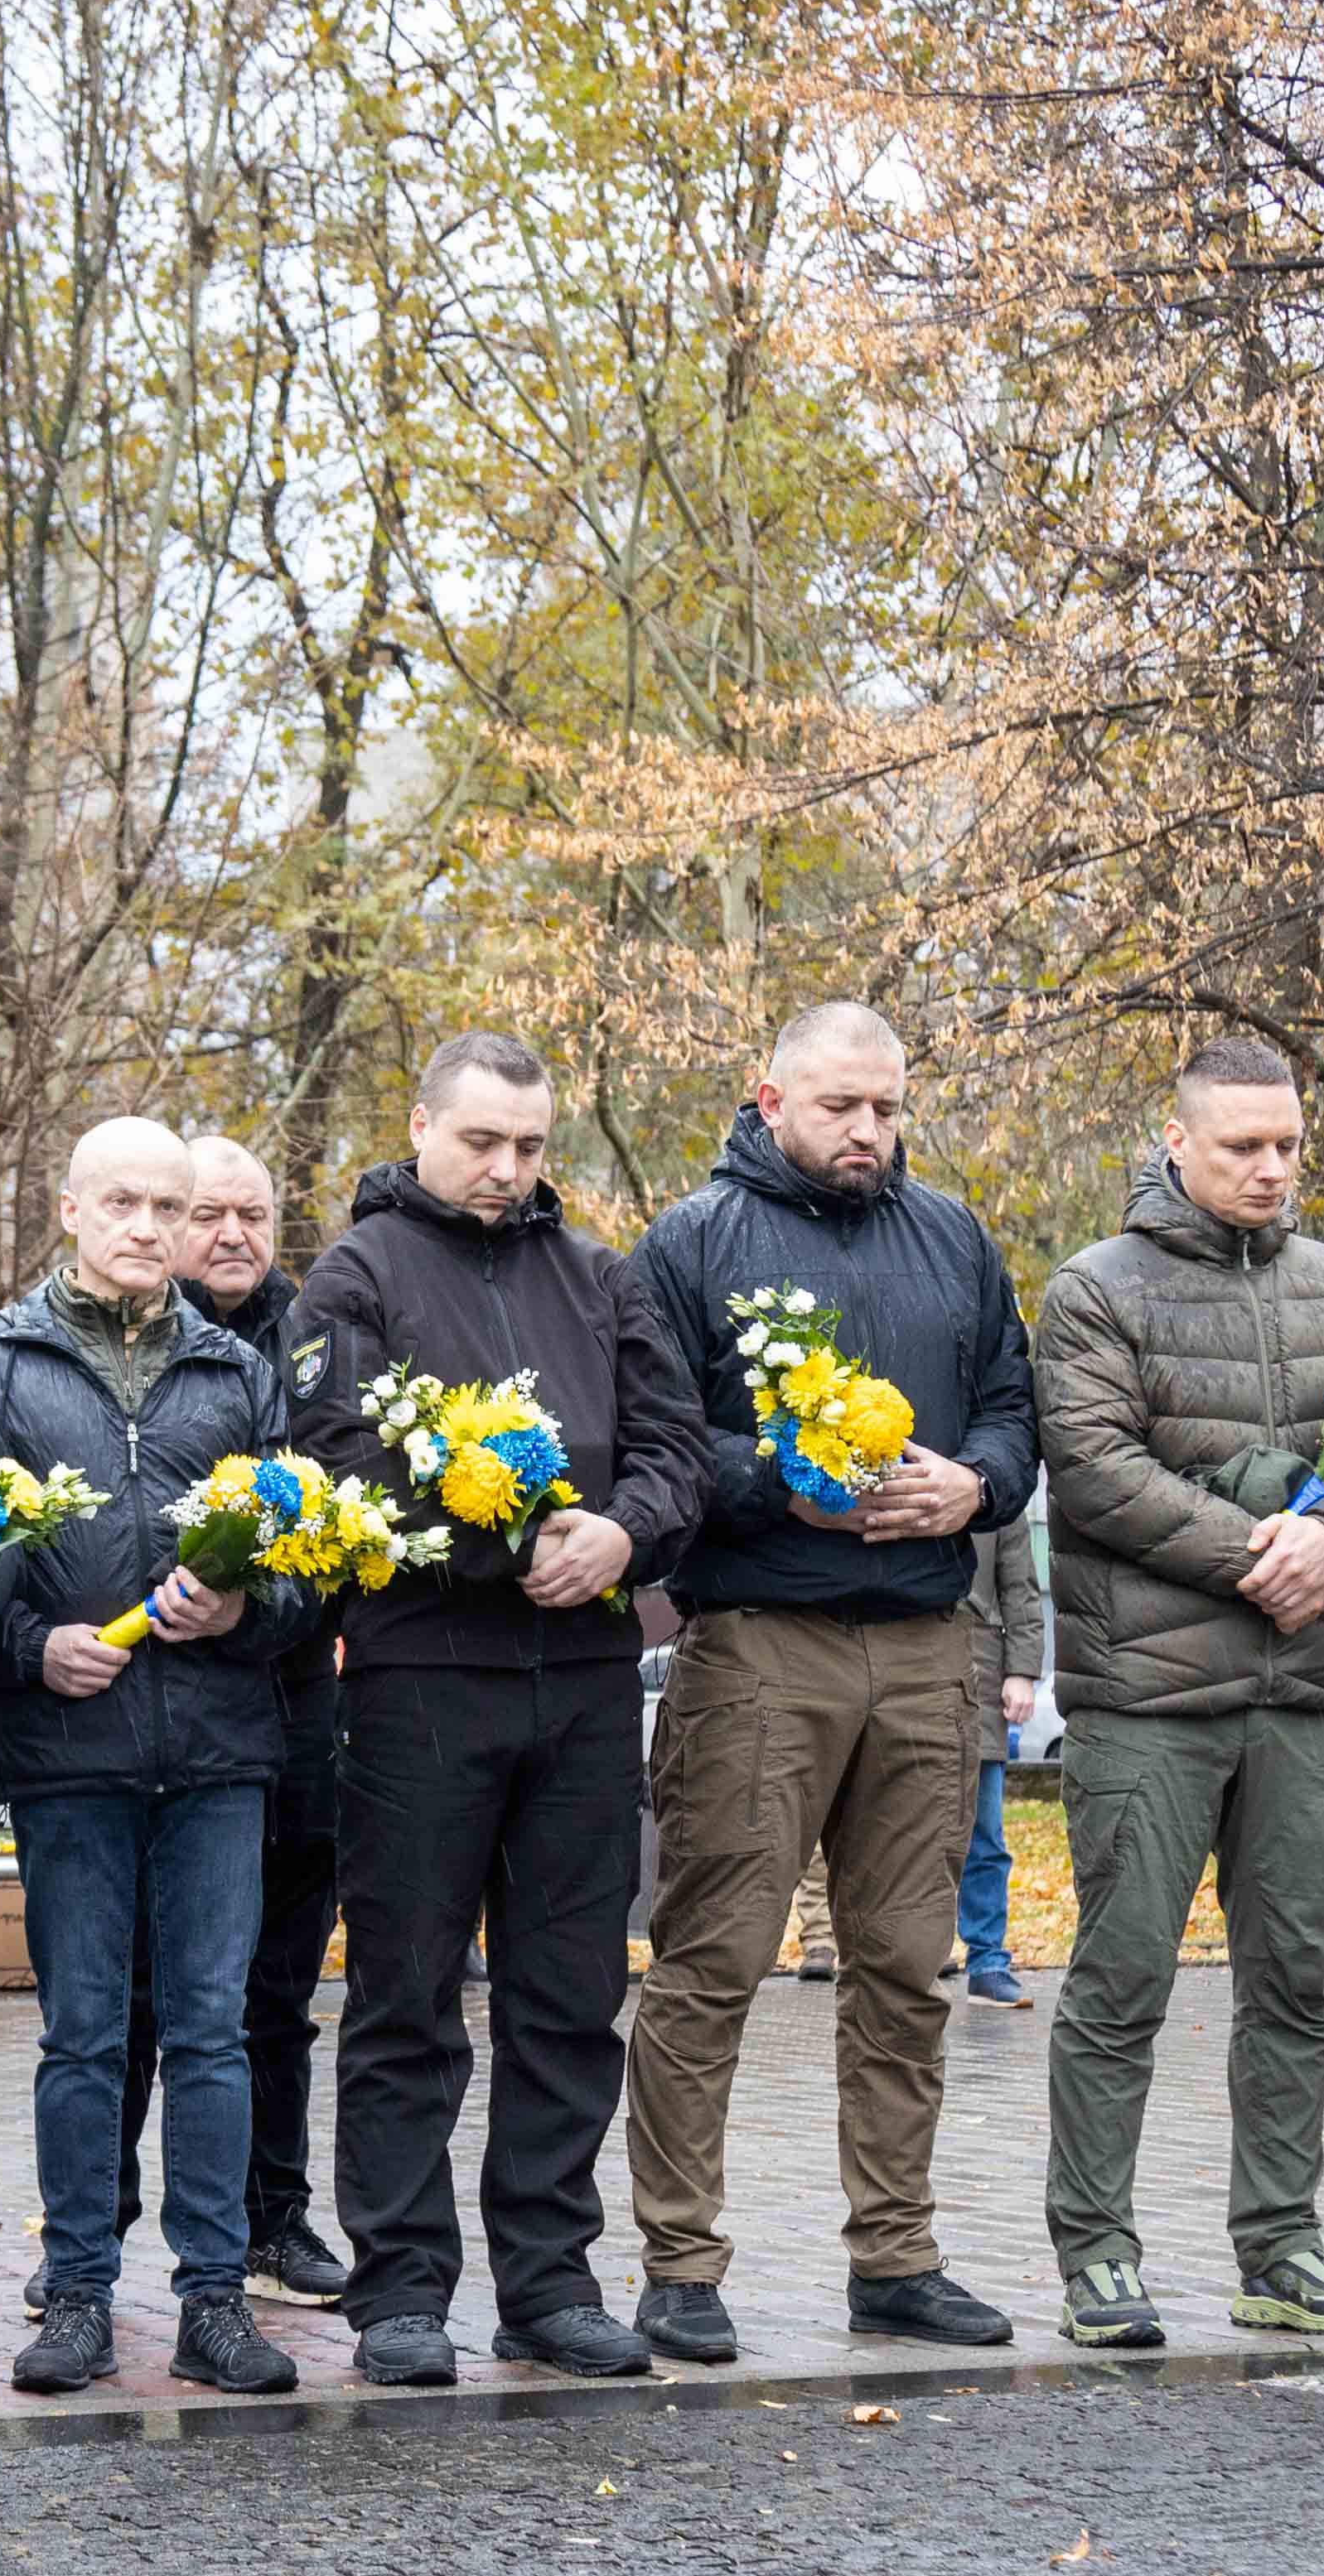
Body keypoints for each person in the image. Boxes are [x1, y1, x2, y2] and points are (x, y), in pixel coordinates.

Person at [615, 1001, 1039, 2361]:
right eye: (841, 1106)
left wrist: (972, 1483)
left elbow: (1016, 1417)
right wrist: (780, 1485)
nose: (868, 1131)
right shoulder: (691, 1245)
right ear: (771, 1098)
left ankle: (896, 2258)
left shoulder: (955, 1240)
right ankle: (680, 2265)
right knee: (713, 1964)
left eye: (886, 1107)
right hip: (757, 1650)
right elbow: (657, 1447)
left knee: (911, 1968)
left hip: (927, 1652)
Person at [292, 1033, 708, 2387]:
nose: (507, 1168)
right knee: (409, 1993)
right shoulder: (357, 1276)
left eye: (530, 1147)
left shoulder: (596, 1275)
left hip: (584, 1687)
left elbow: (674, 1452)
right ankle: (401, 2289)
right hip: (423, 1676)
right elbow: (331, 1462)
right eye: (481, 1141)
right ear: (421, 1126)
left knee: (569, 1995)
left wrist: (621, 1535)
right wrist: (495, 1545)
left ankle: (548, 2283)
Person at [1028, 1035, 1324, 2349]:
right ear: (1176, 1140)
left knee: (1294, 1984)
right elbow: (1090, 1468)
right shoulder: (1094, 1288)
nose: (1266, 1166)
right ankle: (1096, 2253)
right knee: (1120, 1979)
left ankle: (1281, 2248)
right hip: (1143, 1700)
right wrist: (1267, 1551)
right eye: (1240, 1143)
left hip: (1299, 1697)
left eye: (1286, 1144)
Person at [0, 1117, 309, 2398]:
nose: (150, 1228)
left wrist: (244, 1610)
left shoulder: (235, 1368)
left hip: (216, 1747)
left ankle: (213, 2295)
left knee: (213, 2031)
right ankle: (81, 2293)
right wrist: (31, 1645)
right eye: (123, 1203)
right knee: (82, 2034)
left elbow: (303, 1570)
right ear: (69, 1207)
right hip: (68, 1748)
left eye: (168, 1204)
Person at [94, 1132, 350, 2303]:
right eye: (207, 1214)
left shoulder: (317, 1345)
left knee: (276, 1994)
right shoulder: (125, 1351)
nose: (233, 1235)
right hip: (140, 1724)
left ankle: (272, 2217)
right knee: (138, 1997)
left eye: (253, 1214)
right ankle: (95, 2224)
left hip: (290, 1718)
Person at [954, 1512, 1044, 2009]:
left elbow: (1021, 1585)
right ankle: (902, 1956)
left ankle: (987, 1961)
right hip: (896, 1665)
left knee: (984, 1836)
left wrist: (1023, 1670)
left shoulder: (995, 1479)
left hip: (978, 1673)